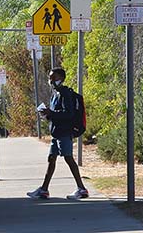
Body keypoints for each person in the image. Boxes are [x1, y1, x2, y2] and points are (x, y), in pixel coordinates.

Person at [27, 67, 89, 200]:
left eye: (53, 78)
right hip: (56, 133)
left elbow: (69, 114)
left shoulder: (65, 94)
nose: (51, 81)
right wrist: (47, 114)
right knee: (51, 159)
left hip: (64, 132)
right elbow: (55, 114)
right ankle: (44, 190)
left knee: (68, 158)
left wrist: (52, 113)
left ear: (61, 79)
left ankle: (81, 188)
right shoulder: (55, 94)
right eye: (50, 78)